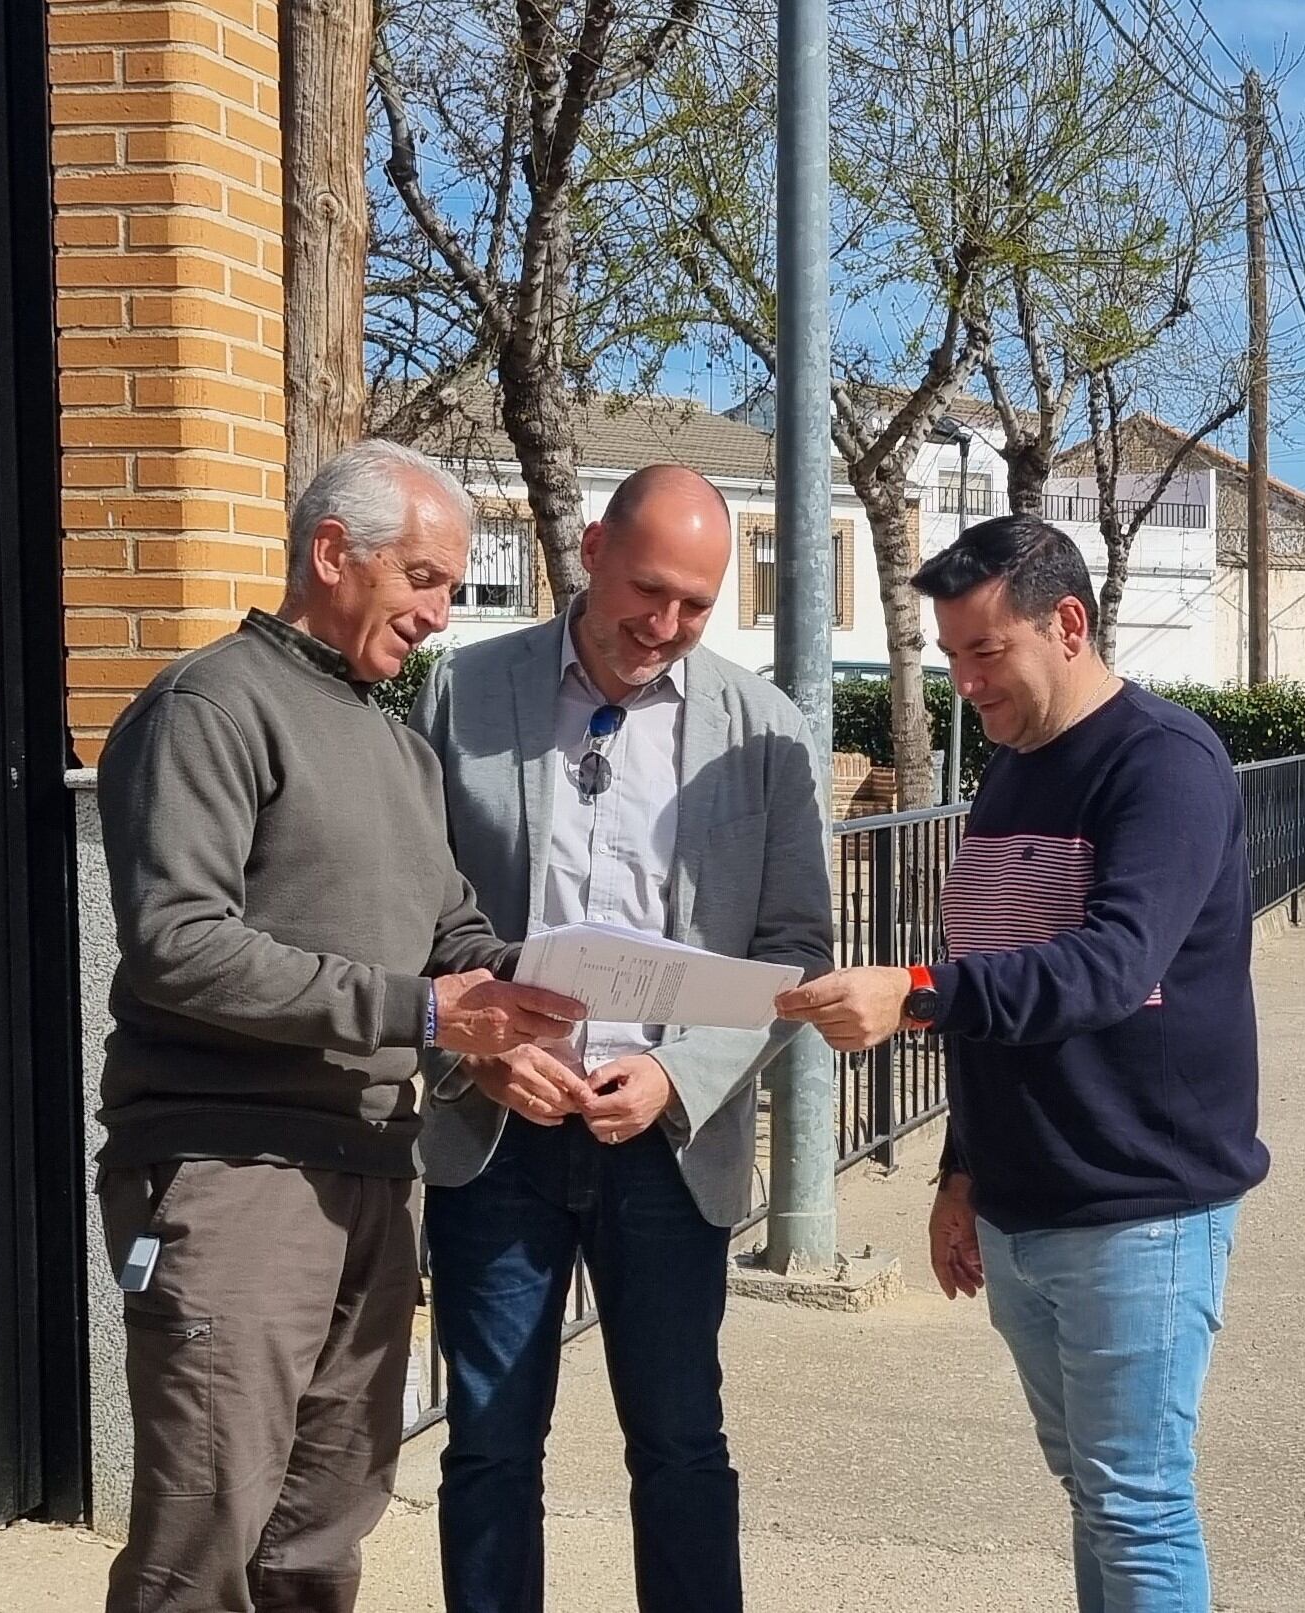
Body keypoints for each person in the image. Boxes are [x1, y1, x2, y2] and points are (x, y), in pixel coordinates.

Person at [94, 439, 584, 1613]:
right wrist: (420, 1011)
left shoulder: (400, 749)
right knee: (203, 1538)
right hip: (233, 1172)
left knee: (320, 1539)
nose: (437, 612)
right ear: (330, 552)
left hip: (374, 1170)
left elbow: (453, 936)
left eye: (448, 587)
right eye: (422, 577)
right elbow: (177, 943)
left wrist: (557, 987)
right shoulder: (212, 704)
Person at [777, 512, 1269, 1613]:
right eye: (949, 654)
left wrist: (909, 994)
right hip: (1022, 1199)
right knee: (1095, 1491)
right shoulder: (1006, 772)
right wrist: (963, 1169)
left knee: (1136, 1501)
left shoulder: (1166, 767)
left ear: (1069, 624)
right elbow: (992, 976)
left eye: (984, 651)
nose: (964, 681)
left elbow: (1105, 968)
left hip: (1142, 1200)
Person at [407, 463, 834, 1613]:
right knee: (489, 1444)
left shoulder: (762, 728)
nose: (667, 626)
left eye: (696, 604)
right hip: (495, 1132)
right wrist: (476, 1048)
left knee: (681, 1443)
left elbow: (793, 947)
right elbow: (412, 910)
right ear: (589, 548)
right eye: (648, 590)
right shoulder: (464, 692)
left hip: (666, 1142)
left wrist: (672, 1069)